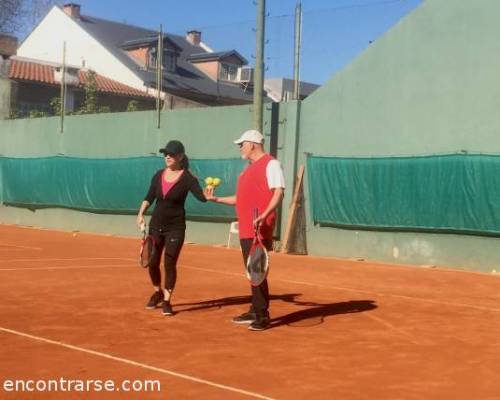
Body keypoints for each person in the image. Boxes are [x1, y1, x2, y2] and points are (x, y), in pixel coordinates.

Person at [205, 129, 285, 331]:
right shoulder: (247, 170)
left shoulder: (271, 164)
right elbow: (240, 199)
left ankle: (262, 315)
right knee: (252, 270)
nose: (240, 147)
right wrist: (217, 199)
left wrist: (265, 214)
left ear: (253, 145)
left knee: (257, 269)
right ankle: (254, 309)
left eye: (242, 144)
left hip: (260, 226)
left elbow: (279, 192)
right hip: (247, 228)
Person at [137, 140, 207, 316]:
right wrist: (140, 214)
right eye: (165, 153)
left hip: (175, 227)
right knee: (152, 262)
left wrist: (209, 193)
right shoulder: (158, 175)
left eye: (172, 153)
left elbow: (202, 198)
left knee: (169, 263)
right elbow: (149, 197)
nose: (167, 156)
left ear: (180, 156)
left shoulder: (188, 178)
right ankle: (158, 292)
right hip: (155, 226)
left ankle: (167, 301)